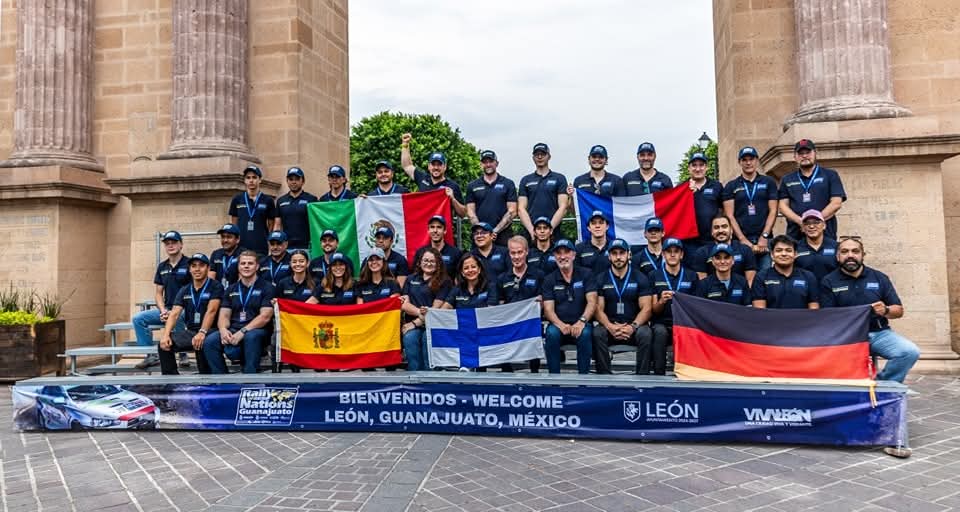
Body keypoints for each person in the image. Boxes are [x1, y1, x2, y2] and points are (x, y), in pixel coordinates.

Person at [819, 238, 920, 383]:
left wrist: (885, 310)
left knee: (909, 352)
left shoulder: (879, 278)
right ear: (837, 256)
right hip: (847, 336)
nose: (850, 255)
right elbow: (827, 317)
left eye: (855, 251)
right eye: (844, 252)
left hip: (879, 334)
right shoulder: (828, 281)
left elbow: (898, 310)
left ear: (863, 255)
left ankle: (884, 385)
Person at [203, 251, 275, 374]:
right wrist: (223, 330)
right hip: (234, 329)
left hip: (257, 330)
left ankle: (250, 375)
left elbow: (265, 317)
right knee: (210, 341)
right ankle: (221, 378)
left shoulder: (267, 287)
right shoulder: (231, 289)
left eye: (250, 263)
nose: (246, 266)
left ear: (257, 266)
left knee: (251, 337)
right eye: (243, 263)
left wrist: (243, 331)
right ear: (238, 266)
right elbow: (224, 315)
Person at [593, 239, 655, 375]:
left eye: (622, 253)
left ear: (629, 255)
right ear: (609, 256)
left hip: (634, 326)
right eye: (614, 253)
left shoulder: (640, 277)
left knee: (646, 333)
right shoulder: (600, 278)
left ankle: (643, 378)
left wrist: (632, 327)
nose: (618, 257)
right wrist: (610, 326)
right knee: (597, 332)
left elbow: (647, 308)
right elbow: (597, 308)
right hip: (610, 327)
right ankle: (604, 377)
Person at [133, 230, 190, 369]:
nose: (170, 245)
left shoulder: (190, 264)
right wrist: (163, 310)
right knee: (138, 319)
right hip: (168, 309)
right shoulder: (162, 266)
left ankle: (182, 353)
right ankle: (151, 356)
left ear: (181, 244)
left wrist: (173, 312)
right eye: (167, 243)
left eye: (174, 242)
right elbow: (158, 293)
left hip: (186, 310)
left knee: (177, 316)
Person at [157, 253, 221, 375]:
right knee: (164, 344)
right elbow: (174, 313)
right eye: (193, 266)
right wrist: (165, 335)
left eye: (201, 265)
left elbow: (211, 311)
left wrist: (202, 332)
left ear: (208, 268)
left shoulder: (216, 286)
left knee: (203, 342)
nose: (197, 269)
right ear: (189, 269)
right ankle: (171, 380)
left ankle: (206, 377)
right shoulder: (185, 289)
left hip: (211, 331)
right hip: (192, 331)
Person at [541, 239, 597, 374]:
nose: (562, 256)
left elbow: (592, 302)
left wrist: (581, 321)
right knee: (551, 333)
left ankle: (583, 379)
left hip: (581, 323)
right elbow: (548, 309)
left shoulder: (586, 274)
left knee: (585, 334)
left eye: (566, 252)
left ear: (573, 255)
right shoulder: (549, 279)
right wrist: (561, 325)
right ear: (554, 257)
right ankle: (554, 378)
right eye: (558, 253)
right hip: (558, 325)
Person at [722, 146, 778, 270]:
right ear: (739, 162)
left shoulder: (768, 182)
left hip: (764, 240)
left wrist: (764, 236)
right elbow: (729, 215)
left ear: (756, 160)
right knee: (742, 275)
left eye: (751, 159)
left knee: (764, 275)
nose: (748, 163)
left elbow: (773, 210)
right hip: (740, 240)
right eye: (744, 160)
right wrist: (742, 240)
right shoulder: (731, 186)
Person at [778, 139, 846, 240]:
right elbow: (783, 206)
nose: (804, 156)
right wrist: (801, 222)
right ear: (795, 157)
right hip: (796, 233)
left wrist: (815, 223)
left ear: (815, 153)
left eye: (808, 152)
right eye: (800, 153)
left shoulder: (830, 175)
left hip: (825, 233)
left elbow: (836, 203)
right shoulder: (787, 179)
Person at [649, 238, 699, 375]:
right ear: (663, 254)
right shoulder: (654, 275)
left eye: (676, 251)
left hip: (684, 322)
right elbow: (654, 310)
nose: (672, 254)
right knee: (659, 332)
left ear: (681, 255)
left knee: (689, 332)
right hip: (662, 322)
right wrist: (661, 301)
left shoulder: (692, 276)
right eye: (668, 251)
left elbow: (696, 306)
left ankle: (687, 374)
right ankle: (659, 374)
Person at [497, 236, 545, 373]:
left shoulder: (538, 275)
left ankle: (534, 372)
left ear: (526, 252)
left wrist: (541, 302)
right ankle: (507, 373)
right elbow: (500, 303)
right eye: (513, 253)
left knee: (535, 329)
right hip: (510, 322)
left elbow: (544, 300)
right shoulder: (502, 278)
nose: (516, 257)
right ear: (509, 254)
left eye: (520, 252)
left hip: (531, 322)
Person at [400, 248, 452, 371]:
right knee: (409, 338)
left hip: (433, 325)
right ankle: (414, 377)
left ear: (438, 263)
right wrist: (420, 312)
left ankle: (431, 378)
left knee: (426, 339)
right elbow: (404, 305)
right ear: (420, 262)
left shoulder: (445, 281)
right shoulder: (411, 279)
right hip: (414, 325)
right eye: (426, 260)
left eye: (432, 261)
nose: (428, 263)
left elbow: (435, 309)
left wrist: (415, 323)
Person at [400, 133, 466, 217]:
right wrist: (405, 144)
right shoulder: (423, 179)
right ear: (429, 166)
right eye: (433, 164)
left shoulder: (453, 186)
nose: (436, 167)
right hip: (423, 224)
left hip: (443, 225)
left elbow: (463, 214)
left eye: (439, 165)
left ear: (445, 167)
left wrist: (453, 199)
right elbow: (407, 166)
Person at [751, 235, 820, 309]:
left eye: (788, 250)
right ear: (772, 255)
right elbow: (760, 312)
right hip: (771, 317)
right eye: (779, 250)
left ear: (795, 254)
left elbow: (813, 311)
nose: (784, 254)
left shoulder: (808, 277)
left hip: (802, 317)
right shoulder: (761, 277)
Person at [466, 149, 518, 246]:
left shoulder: (508, 183)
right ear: (481, 164)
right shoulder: (472, 185)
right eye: (485, 162)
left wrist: (495, 231)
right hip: (479, 236)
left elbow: (512, 211)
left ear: (497, 163)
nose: (488, 164)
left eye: (491, 161)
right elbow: (470, 212)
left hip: (503, 236)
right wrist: (482, 231)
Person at [517, 143, 569, 239]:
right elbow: (521, 208)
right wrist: (532, 231)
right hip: (531, 233)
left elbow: (563, 207)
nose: (540, 157)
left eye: (543, 154)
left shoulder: (560, 178)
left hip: (553, 232)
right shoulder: (525, 180)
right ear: (533, 158)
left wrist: (549, 229)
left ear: (549, 156)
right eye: (537, 154)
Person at [691, 214, 757, 284]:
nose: (720, 230)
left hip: (740, 290)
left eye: (724, 226)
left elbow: (750, 283)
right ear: (712, 232)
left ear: (731, 230)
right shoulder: (702, 252)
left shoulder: (745, 250)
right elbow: (702, 284)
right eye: (716, 227)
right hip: (711, 290)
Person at [682, 152, 723, 265]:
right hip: (690, 242)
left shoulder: (716, 186)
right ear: (689, 168)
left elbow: (723, 210)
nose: (698, 169)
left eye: (701, 165)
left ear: (706, 167)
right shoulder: (682, 187)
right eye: (694, 165)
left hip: (711, 240)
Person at [228, 165, 278, 256]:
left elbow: (271, 224)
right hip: (241, 246)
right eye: (248, 178)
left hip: (260, 245)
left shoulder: (268, 200)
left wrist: (268, 239)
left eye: (254, 177)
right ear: (244, 180)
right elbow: (234, 224)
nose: (251, 180)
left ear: (260, 180)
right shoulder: (237, 199)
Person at [276, 166, 319, 250]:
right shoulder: (281, 201)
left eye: (297, 179)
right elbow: (277, 225)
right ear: (287, 181)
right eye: (291, 179)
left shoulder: (311, 199)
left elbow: (316, 223)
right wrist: (277, 242)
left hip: (306, 247)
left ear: (303, 181)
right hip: (286, 247)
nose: (294, 182)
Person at [795, 209, 839, 283]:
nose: (811, 226)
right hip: (806, 289)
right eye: (807, 223)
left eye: (816, 222)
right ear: (802, 228)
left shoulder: (836, 246)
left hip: (830, 288)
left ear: (824, 225)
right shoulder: (796, 248)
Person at [210, 223, 244, 287]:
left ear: (237, 239)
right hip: (218, 290)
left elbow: (243, 279)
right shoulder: (216, 254)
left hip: (236, 290)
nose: (225, 240)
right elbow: (211, 278)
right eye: (223, 237)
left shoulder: (244, 254)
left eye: (229, 237)